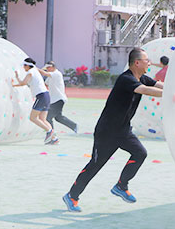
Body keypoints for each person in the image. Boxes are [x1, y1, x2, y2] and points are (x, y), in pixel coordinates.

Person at [62, 48, 163, 212]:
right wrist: (169, 95)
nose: (149, 63)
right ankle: (72, 196)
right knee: (95, 165)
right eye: (147, 60)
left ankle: (121, 186)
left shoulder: (142, 77)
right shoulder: (127, 79)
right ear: (137, 63)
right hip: (107, 132)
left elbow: (159, 85)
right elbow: (145, 90)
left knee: (140, 153)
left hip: (123, 131)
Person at [12, 57, 56, 144]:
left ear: (28, 66)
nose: (24, 67)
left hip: (41, 96)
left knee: (33, 118)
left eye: (24, 66)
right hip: (46, 95)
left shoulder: (30, 72)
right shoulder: (35, 71)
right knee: (43, 119)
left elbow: (23, 83)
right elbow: (26, 83)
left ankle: (49, 131)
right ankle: (54, 138)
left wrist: (14, 84)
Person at [40, 61, 78, 134]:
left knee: (48, 117)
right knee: (58, 117)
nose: (47, 69)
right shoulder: (50, 76)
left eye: (48, 67)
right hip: (54, 100)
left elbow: (44, 73)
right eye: (46, 68)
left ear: (53, 67)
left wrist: (34, 68)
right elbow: (45, 84)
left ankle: (51, 134)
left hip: (58, 99)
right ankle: (74, 126)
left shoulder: (57, 74)